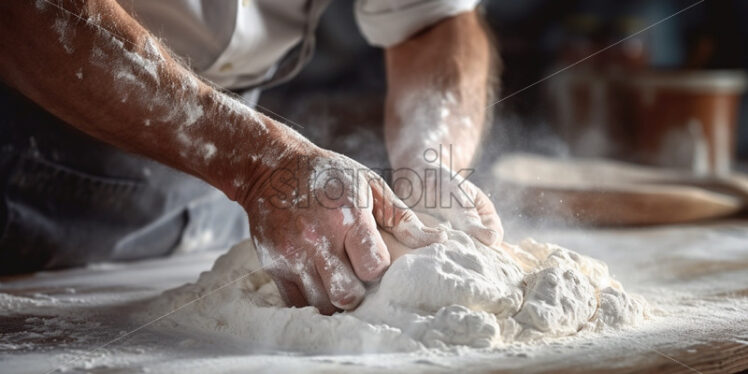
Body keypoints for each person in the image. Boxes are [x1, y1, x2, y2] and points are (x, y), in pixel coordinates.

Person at [0, 0, 503, 314]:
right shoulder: (258, 169)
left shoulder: (257, 180)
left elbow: (432, 21)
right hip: (27, 150)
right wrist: (261, 166)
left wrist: (430, 158)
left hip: (222, 176)